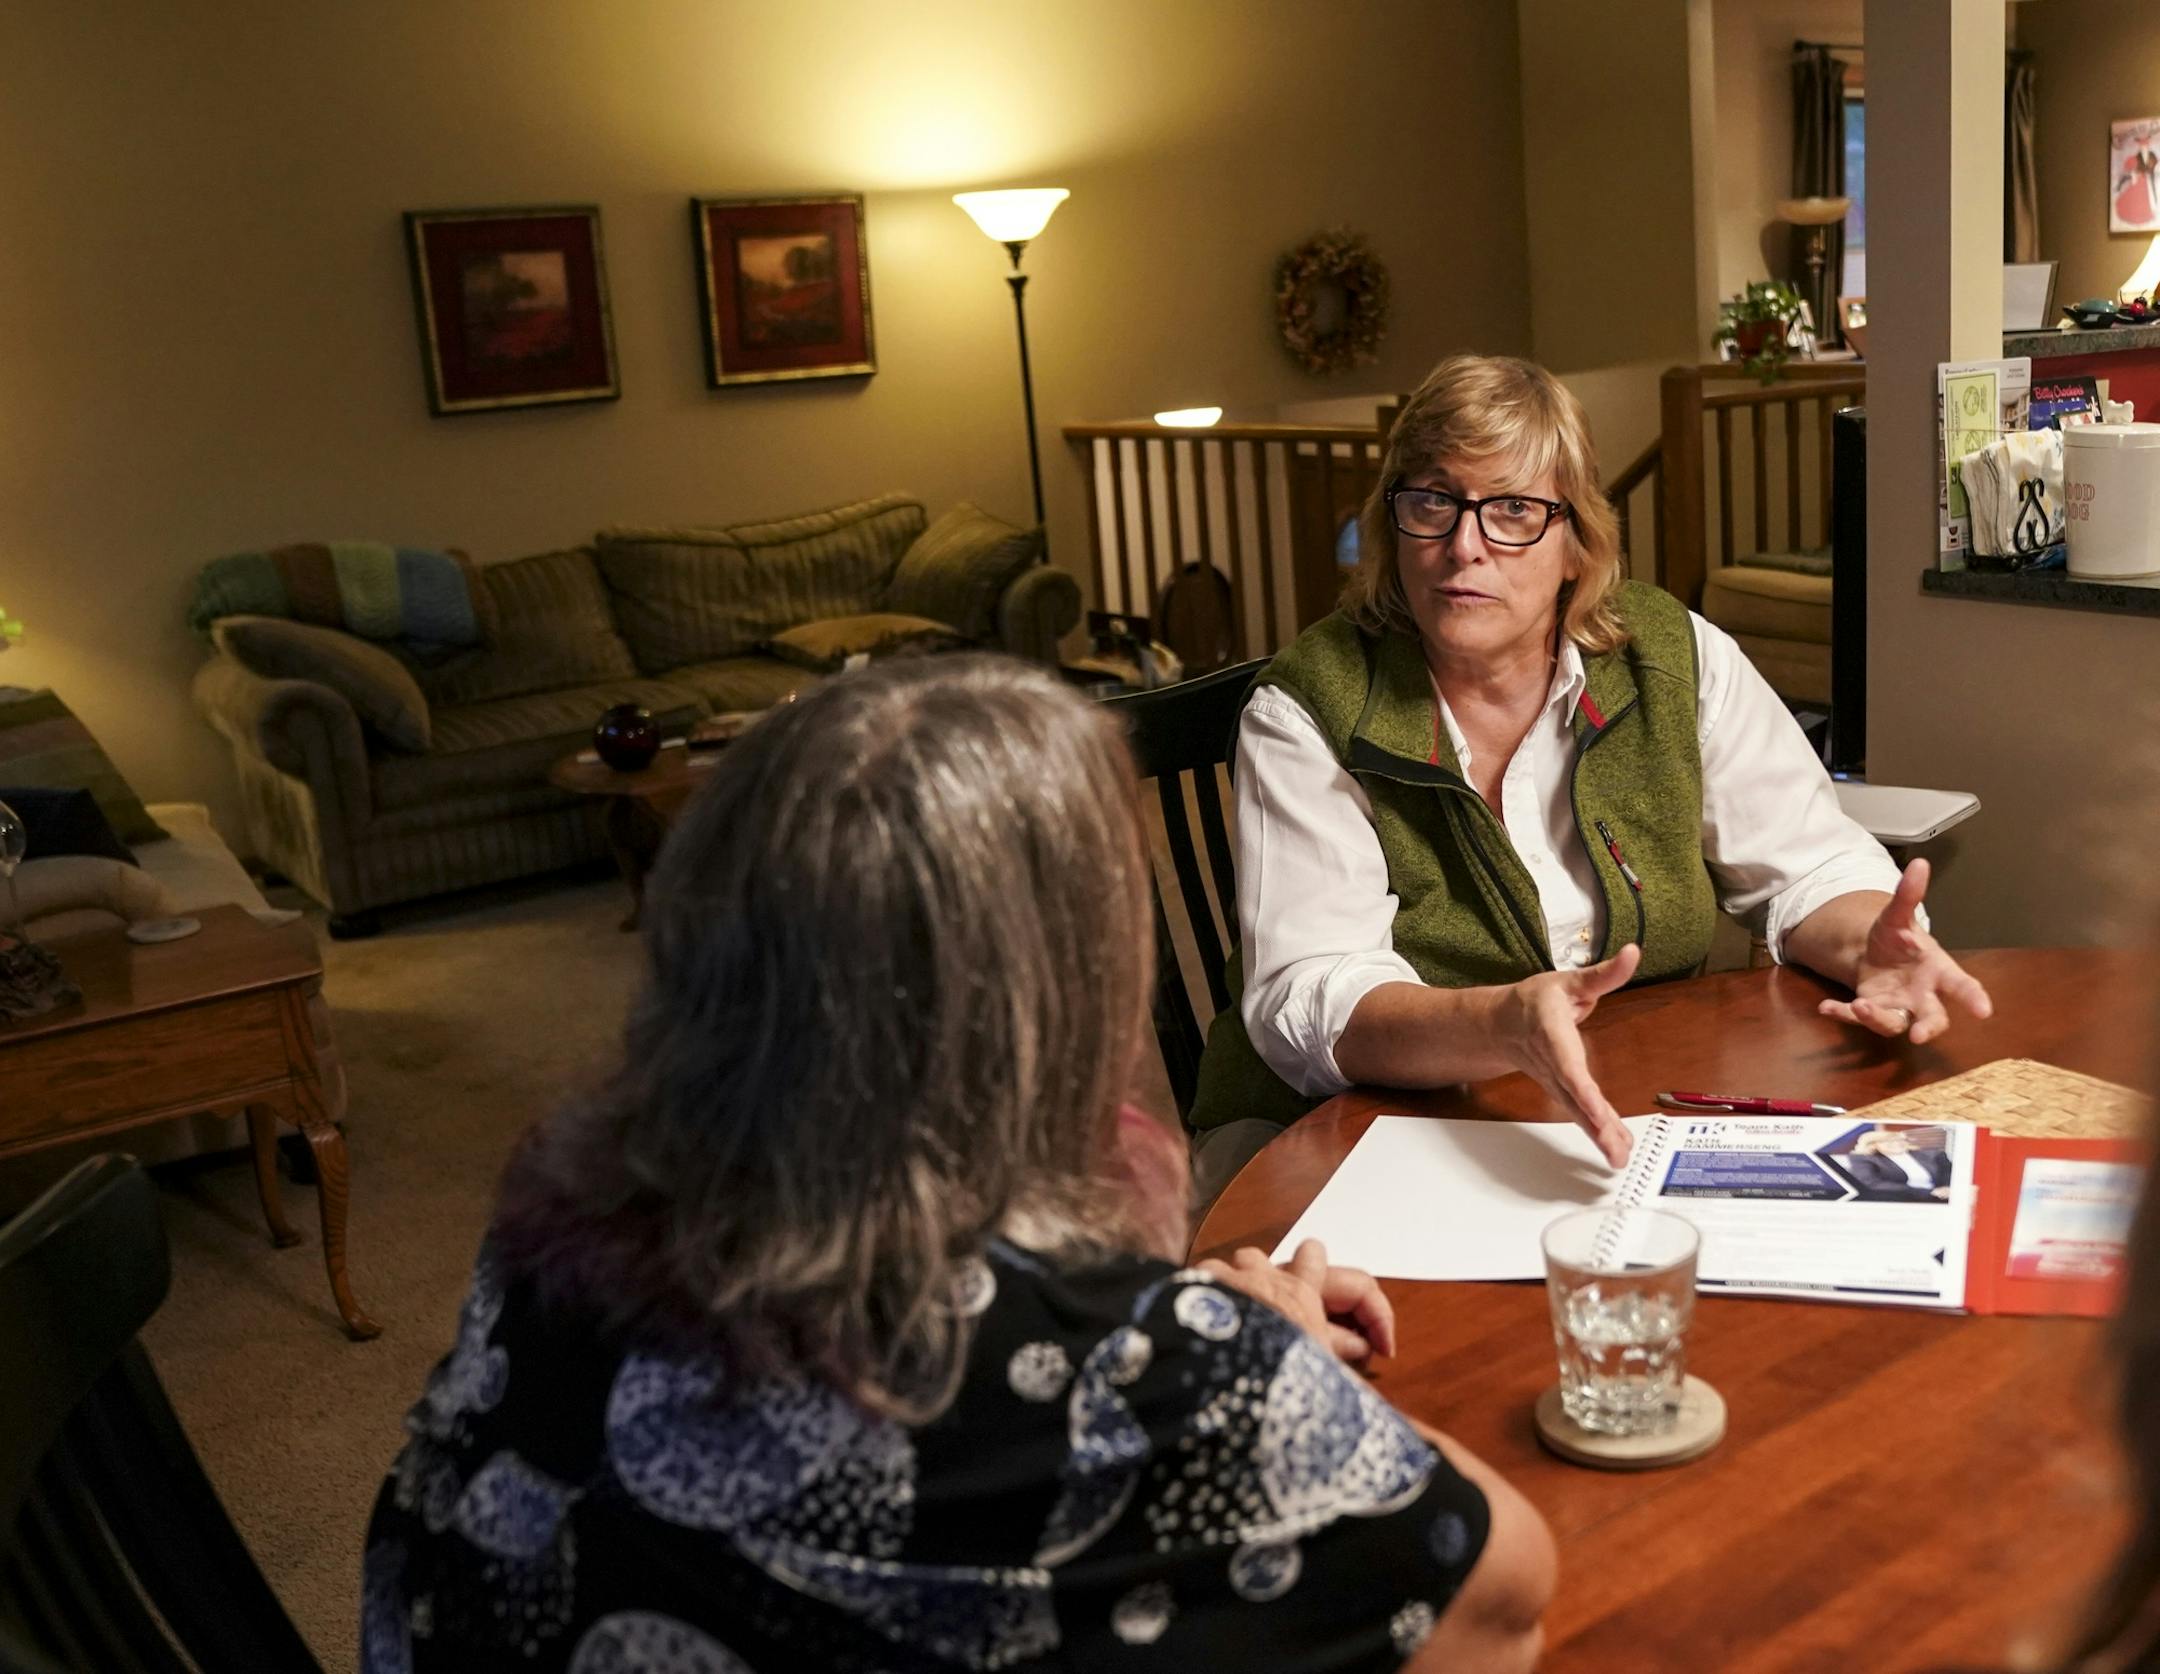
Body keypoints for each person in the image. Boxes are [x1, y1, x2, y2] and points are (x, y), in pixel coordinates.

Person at [360, 656, 1555, 1674]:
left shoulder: (542, 1247)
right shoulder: (1121, 1372)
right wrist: (1262, 1362)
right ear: (1046, 1008)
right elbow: (1500, 1592)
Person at [1187, 354, 1994, 1205]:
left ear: (1577, 542)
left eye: (1513, 511)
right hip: (1329, 1129)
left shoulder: (1670, 656)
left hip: (1599, 1110)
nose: (1465, 546)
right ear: (1394, 527)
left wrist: (1868, 944)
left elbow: (1809, 866)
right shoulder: (1308, 704)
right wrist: (1497, 1024)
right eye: (1432, 502)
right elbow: (1310, 1001)